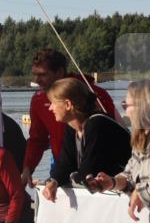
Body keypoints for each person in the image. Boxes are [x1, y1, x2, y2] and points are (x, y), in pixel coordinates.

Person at [21, 49, 118, 186]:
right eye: (35, 75)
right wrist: (28, 168)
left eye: (43, 74)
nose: (37, 80)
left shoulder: (94, 94)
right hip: (62, 165)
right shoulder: (38, 100)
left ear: (60, 72)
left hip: (100, 169)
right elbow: (37, 139)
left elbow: (111, 132)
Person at [95, 80, 150, 217]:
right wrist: (111, 182)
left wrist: (142, 192)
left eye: (125, 105)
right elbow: (129, 176)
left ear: (144, 108)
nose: (125, 111)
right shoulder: (141, 138)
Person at [41, 78, 131, 202]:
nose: (50, 108)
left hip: (124, 194)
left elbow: (88, 171)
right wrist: (53, 182)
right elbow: (65, 164)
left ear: (68, 104)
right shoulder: (72, 127)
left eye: (53, 103)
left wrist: (72, 177)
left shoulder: (97, 124)